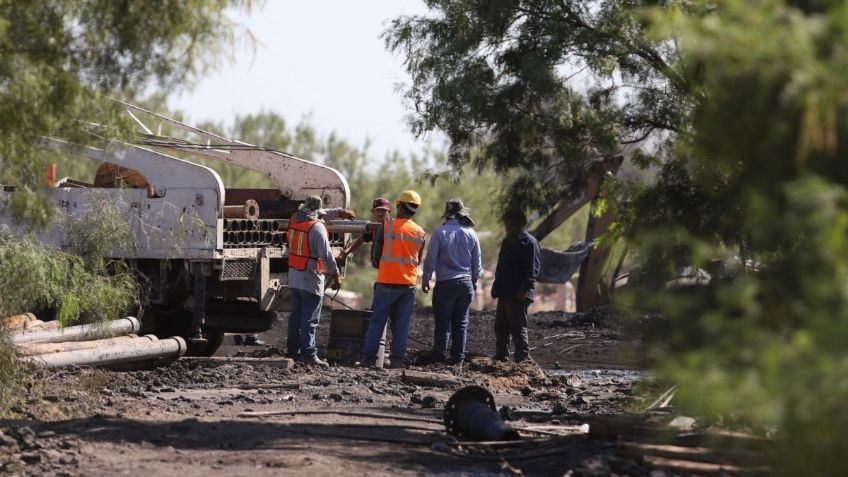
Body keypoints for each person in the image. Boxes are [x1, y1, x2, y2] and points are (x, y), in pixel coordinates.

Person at [286, 195, 355, 366]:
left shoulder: (295, 219)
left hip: (294, 276)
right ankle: (309, 355)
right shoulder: (317, 228)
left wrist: (339, 212)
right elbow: (327, 256)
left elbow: (321, 214)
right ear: (316, 212)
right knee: (310, 319)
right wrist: (336, 274)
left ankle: (293, 352)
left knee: (295, 317)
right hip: (310, 278)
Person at [362, 190, 426, 369]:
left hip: (386, 282)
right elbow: (417, 259)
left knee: (377, 322)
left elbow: (376, 257)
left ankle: (368, 360)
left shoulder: (386, 226)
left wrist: (386, 267)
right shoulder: (420, 232)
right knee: (402, 324)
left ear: (398, 206)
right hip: (408, 284)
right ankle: (397, 360)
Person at [421, 198, 482, 365]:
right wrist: (474, 280)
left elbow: (431, 260)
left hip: (445, 284)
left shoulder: (440, 233)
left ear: (447, 215)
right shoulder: (471, 233)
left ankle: (439, 359)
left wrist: (426, 279)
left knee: (443, 324)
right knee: (461, 323)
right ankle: (458, 360)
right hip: (466, 284)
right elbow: (477, 262)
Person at [491, 208, 540, 363]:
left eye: (510, 224)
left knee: (518, 328)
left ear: (519, 224)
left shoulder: (529, 242)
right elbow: (501, 266)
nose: (507, 227)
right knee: (500, 326)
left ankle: (523, 359)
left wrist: (524, 289)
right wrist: (496, 286)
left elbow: (533, 269)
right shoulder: (507, 241)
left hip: (518, 293)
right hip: (505, 291)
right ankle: (501, 357)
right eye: (507, 224)